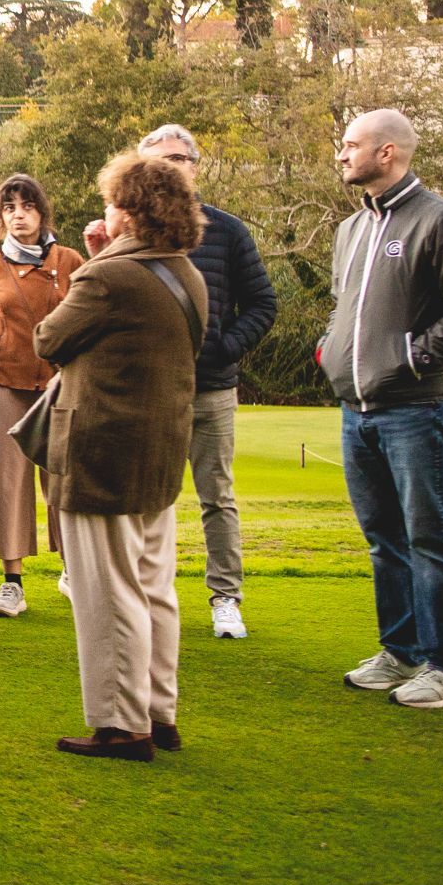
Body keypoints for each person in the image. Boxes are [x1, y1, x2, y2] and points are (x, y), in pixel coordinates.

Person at [33, 151, 209, 761]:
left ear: (131, 213)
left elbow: (48, 339)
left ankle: (120, 724)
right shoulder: (185, 272)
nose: (104, 213)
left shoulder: (108, 276)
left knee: (108, 593)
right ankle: (159, 712)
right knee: (155, 586)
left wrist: (101, 256)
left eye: (112, 204)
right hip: (159, 454)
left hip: (102, 454)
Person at [321, 108, 443, 711]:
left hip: (416, 409)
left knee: (431, 537)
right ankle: (401, 652)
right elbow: (345, 309)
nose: (342, 155)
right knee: (384, 540)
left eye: (351, 146)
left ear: (387, 152)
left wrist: (410, 357)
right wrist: (330, 349)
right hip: (357, 410)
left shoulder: (440, 220)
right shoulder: (349, 230)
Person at [133, 126, 279, 640]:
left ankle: (225, 598)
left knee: (216, 496)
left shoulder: (228, 231)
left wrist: (222, 347)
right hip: (149, 392)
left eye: (177, 158)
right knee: (148, 499)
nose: (168, 169)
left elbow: (263, 305)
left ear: (195, 164)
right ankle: (151, 598)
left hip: (212, 388)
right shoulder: (130, 235)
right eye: (156, 162)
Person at [0, 174, 86, 618]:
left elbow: (94, 310)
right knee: (7, 484)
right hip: (5, 383)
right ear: (0, 217)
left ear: (42, 213)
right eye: (9, 208)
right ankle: (12, 584)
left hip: (60, 385)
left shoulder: (69, 261)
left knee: (65, 481)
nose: (18, 214)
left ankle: (74, 571)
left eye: (26, 206)